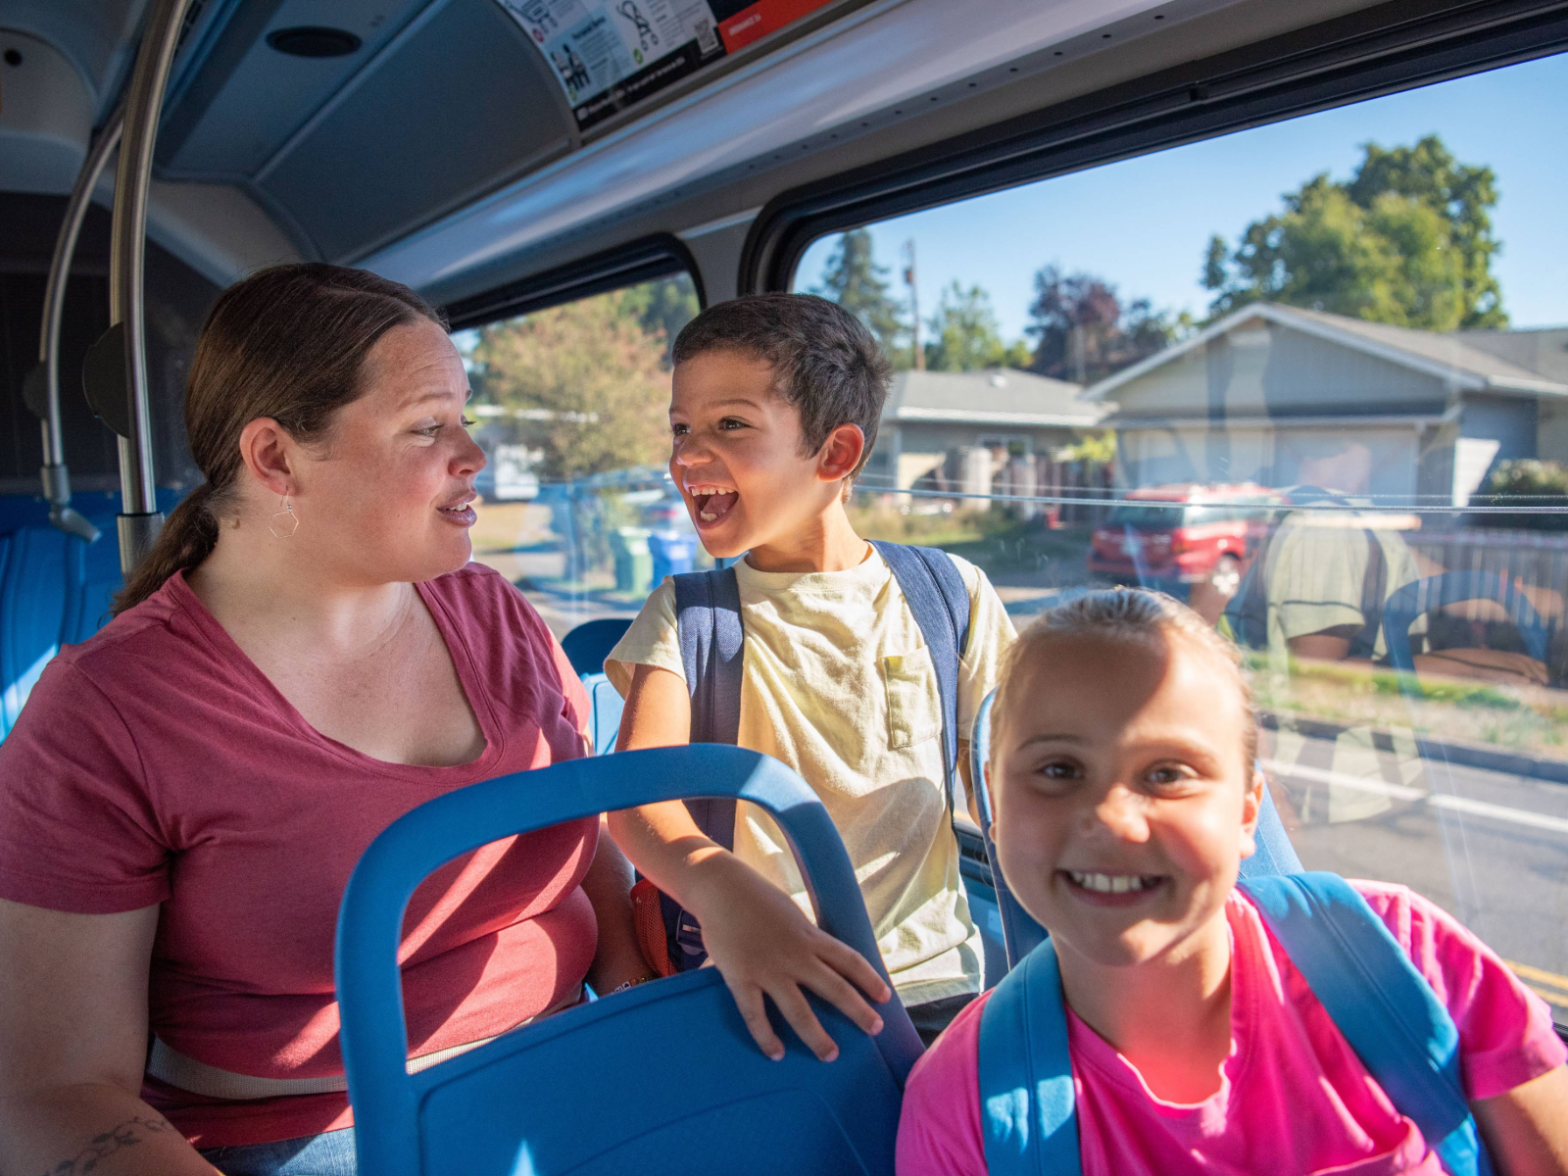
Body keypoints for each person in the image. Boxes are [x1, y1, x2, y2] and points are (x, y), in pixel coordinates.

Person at [0, 264, 649, 1176]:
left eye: (463, 417)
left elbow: (582, 839)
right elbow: (52, 1093)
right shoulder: (109, 713)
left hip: (576, 1063)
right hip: (316, 1138)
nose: (473, 453)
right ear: (275, 460)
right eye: (428, 426)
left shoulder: (497, 614)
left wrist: (640, 1019)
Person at [896, 588, 1568, 1175]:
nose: (1113, 820)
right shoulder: (963, 1104)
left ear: (1248, 810)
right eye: (1059, 771)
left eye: (1167, 774)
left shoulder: (1404, 957)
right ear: (991, 798)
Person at [604, 293, 1016, 1058]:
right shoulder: (688, 617)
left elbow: (1009, 779)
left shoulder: (948, 594)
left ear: (834, 455)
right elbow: (636, 802)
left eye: (730, 425)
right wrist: (722, 889)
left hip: (935, 984)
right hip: (751, 979)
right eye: (681, 427)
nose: (687, 455)